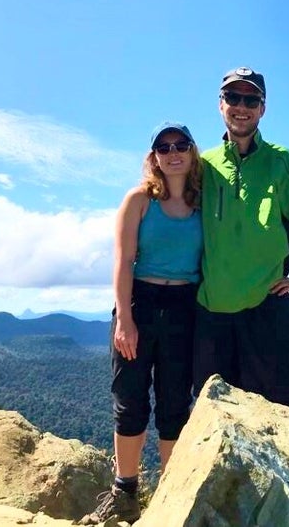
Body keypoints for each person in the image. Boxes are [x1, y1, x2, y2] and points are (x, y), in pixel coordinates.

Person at [193, 66, 289, 413]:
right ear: (220, 104)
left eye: (251, 98)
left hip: (267, 310)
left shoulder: (283, 163)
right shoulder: (203, 166)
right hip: (210, 314)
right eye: (233, 97)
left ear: (262, 108)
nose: (241, 106)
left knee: (283, 410)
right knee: (215, 415)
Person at [84, 121, 203, 525]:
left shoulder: (204, 203)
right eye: (163, 146)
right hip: (140, 302)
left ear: (192, 152)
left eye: (181, 144)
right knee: (130, 399)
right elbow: (123, 261)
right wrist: (125, 319)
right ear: (153, 156)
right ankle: (125, 491)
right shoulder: (139, 200)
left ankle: (169, 496)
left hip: (185, 307)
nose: (173, 152)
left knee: (174, 405)